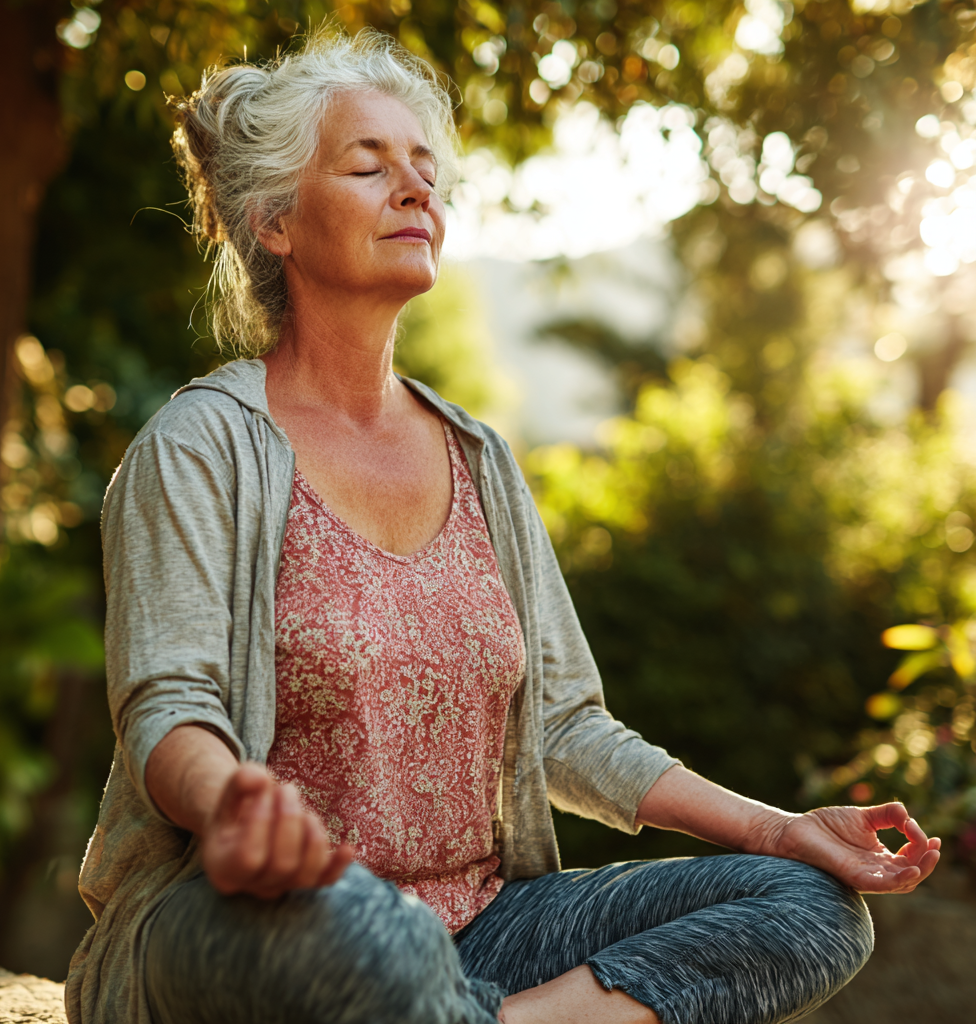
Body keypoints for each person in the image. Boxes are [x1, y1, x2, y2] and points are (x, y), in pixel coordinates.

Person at [64, 28, 940, 1024]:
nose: (414, 188)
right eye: (368, 165)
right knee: (374, 933)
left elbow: (567, 726)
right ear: (275, 224)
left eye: (425, 169)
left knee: (807, 907)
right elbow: (168, 711)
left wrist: (780, 830)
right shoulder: (198, 446)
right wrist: (235, 807)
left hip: (481, 926)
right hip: (247, 923)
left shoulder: (476, 456)